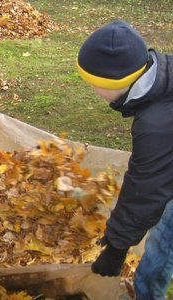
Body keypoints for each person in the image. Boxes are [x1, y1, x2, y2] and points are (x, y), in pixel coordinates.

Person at [77, 20, 173, 299]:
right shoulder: (163, 74)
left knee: (163, 240)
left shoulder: (155, 124)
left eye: (95, 85)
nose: (94, 92)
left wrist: (117, 249)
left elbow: (146, 190)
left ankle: (147, 294)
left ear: (114, 83)